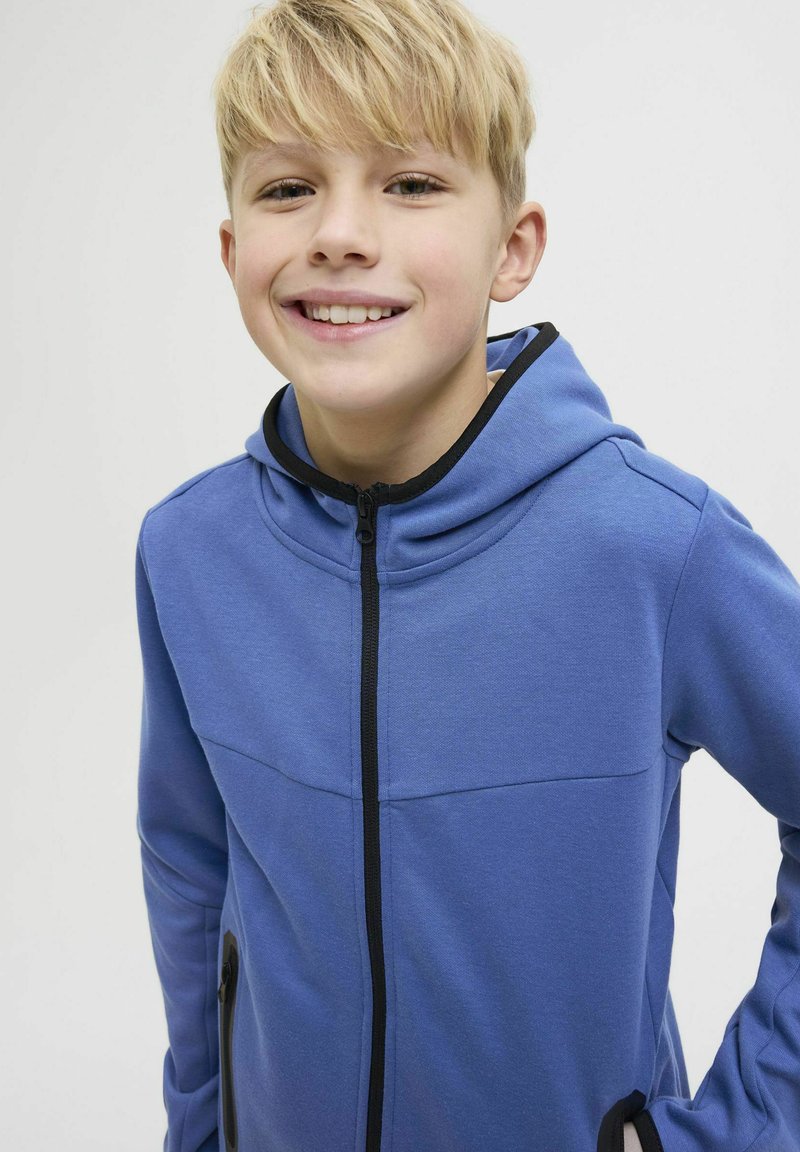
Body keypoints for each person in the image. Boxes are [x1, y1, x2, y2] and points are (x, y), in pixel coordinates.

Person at [133, 1, 800, 1150]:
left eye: (410, 183)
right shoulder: (187, 551)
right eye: (288, 187)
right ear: (233, 251)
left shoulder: (650, 545)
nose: (340, 233)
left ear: (512, 248)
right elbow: (190, 874)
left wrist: (739, 1130)